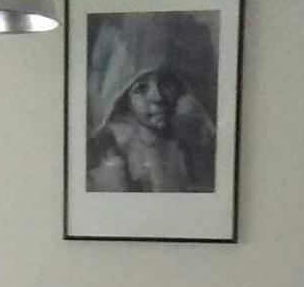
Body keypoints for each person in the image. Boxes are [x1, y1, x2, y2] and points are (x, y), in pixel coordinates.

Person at [85, 13, 219, 194]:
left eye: (167, 83)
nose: (157, 97)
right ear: (123, 98)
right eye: (141, 88)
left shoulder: (194, 152)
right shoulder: (114, 162)